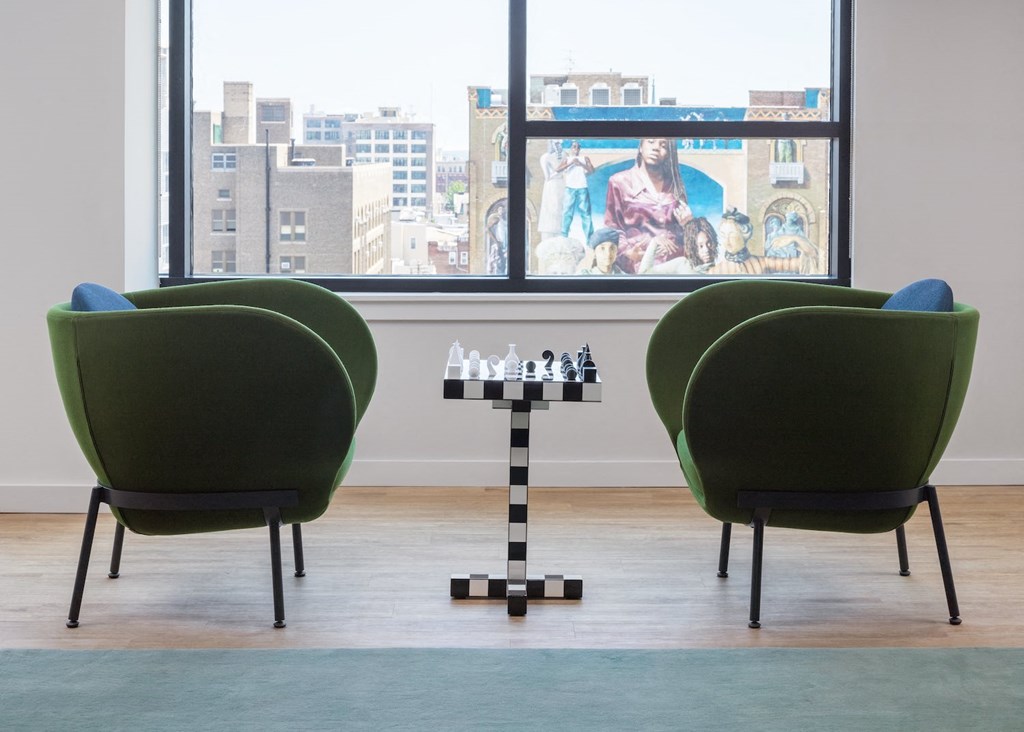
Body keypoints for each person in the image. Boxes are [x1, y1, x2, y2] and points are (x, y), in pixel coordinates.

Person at [604, 138, 693, 274]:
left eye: (663, 145)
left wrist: (688, 224)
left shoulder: (675, 184)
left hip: (676, 265)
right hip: (639, 265)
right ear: (640, 147)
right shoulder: (619, 181)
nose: (656, 148)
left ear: (669, 153)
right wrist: (627, 253)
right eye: (651, 142)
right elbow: (612, 228)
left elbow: (684, 233)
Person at [707, 208, 820, 276]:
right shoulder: (714, 272)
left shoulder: (763, 263)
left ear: (745, 234)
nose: (727, 241)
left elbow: (813, 259)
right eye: (723, 235)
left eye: (732, 235)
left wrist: (796, 238)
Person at [638, 216, 718, 274]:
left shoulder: (721, 269)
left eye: (709, 244)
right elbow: (643, 274)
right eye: (700, 246)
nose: (706, 250)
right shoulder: (682, 264)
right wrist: (654, 242)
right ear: (692, 247)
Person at [557, 140, 595, 243]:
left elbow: (592, 171)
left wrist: (580, 165)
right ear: (571, 148)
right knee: (567, 212)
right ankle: (564, 236)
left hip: (582, 187)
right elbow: (558, 169)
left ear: (580, 149)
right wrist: (571, 164)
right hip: (570, 188)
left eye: (578, 147)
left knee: (586, 213)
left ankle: (589, 239)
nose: (576, 149)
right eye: (574, 147)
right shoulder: (567, 159)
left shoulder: (585, 158)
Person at [537, 140, 566, 240]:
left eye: (560, 144)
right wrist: (560, 170)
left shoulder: (564, 155)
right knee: (551, 207)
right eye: (557, 144)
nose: (559, 146)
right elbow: (547, 176)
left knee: (561, 207)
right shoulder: (545, 157)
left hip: (561, 185)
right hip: (551, 186)